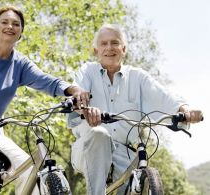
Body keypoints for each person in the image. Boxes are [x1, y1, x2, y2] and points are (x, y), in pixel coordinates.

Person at [0, 5, 90, 195]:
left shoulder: (20, 63)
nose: (10, 26)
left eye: (16, 24)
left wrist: (73, 90)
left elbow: (47, 80)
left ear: (21, 33)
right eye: (5, 22)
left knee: (30, 173)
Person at [68, 24, 203, 195]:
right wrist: (85, 109)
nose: (109, 48)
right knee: (99, 134)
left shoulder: (137, 77)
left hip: (125, 152)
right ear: (96, 50)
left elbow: (164, 97)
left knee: (138, 175)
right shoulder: (87, 71)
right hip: (89, 148)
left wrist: (185, 110)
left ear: (123, 49)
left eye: (114, 43)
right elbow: (77, 94)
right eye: (104, 43)